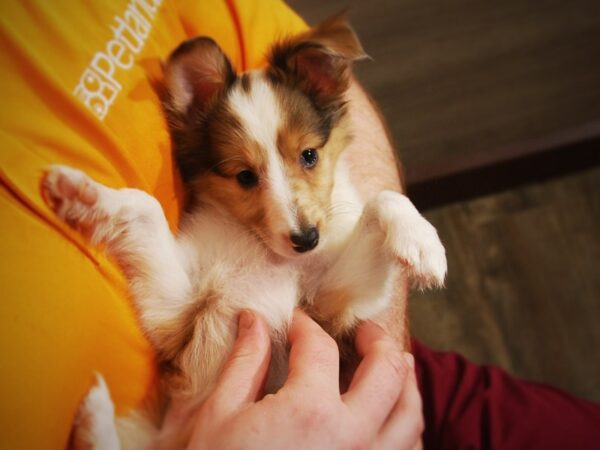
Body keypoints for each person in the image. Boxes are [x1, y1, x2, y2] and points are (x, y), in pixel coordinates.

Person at [2, 1, 600, 449]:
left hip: (388, 374)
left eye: (306, 157)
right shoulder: (211, 218)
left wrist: (390, 213)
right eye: (247, 177)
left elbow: (341, 301)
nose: (294, 218)